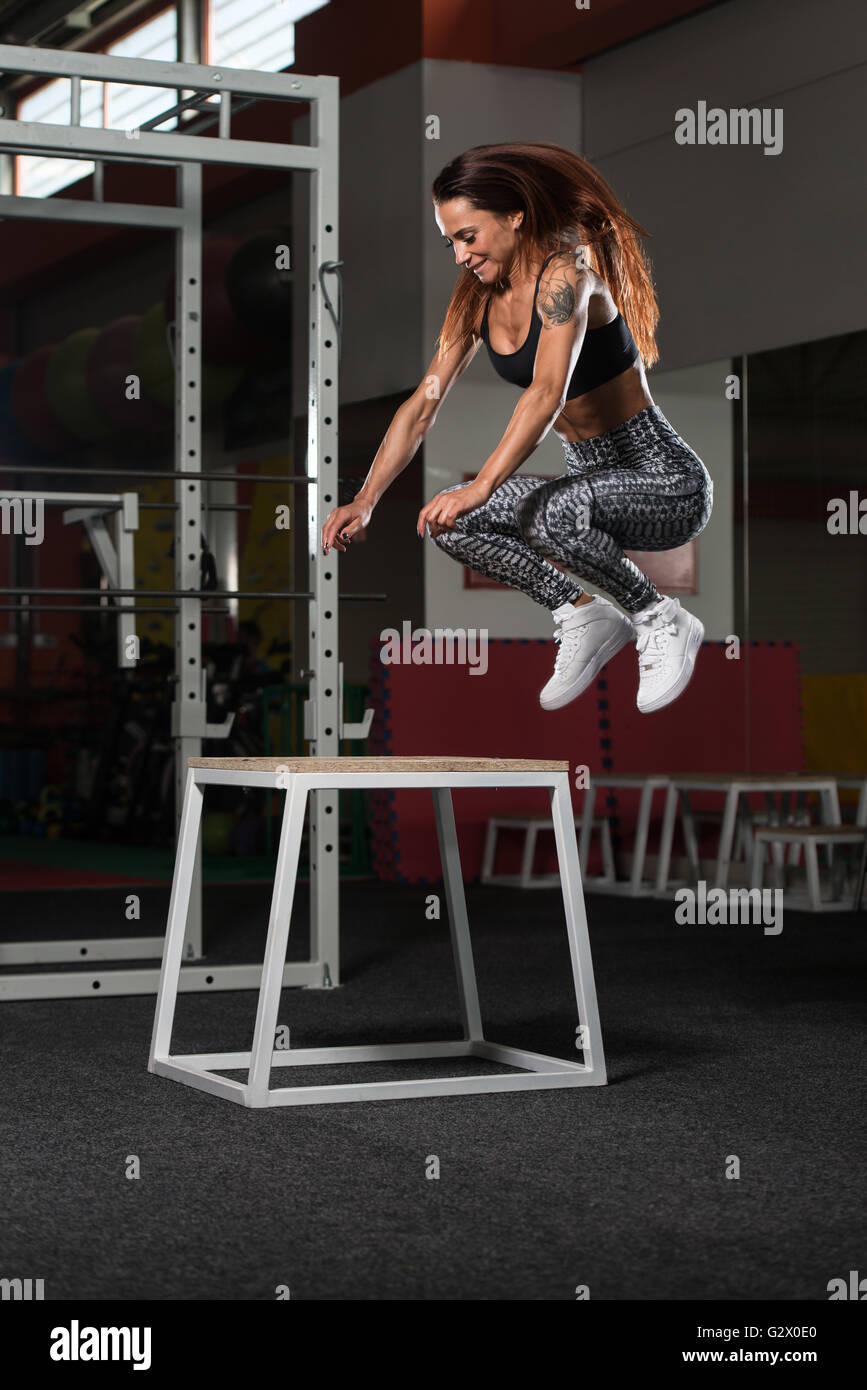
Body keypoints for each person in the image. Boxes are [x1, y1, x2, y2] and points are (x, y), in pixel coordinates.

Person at [322, 141, 713, 713]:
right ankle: (581, 614)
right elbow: (422, 404)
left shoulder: (568, 275)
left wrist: (481, 481)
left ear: (514, 216)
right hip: (587, 490)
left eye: (468, 236)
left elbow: (546, 391)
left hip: (662, 483)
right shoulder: (476, 300)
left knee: (530, 508)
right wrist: (366, 498)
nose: (459, 255)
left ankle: (660, 616)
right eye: (450, 241)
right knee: (450, 521)